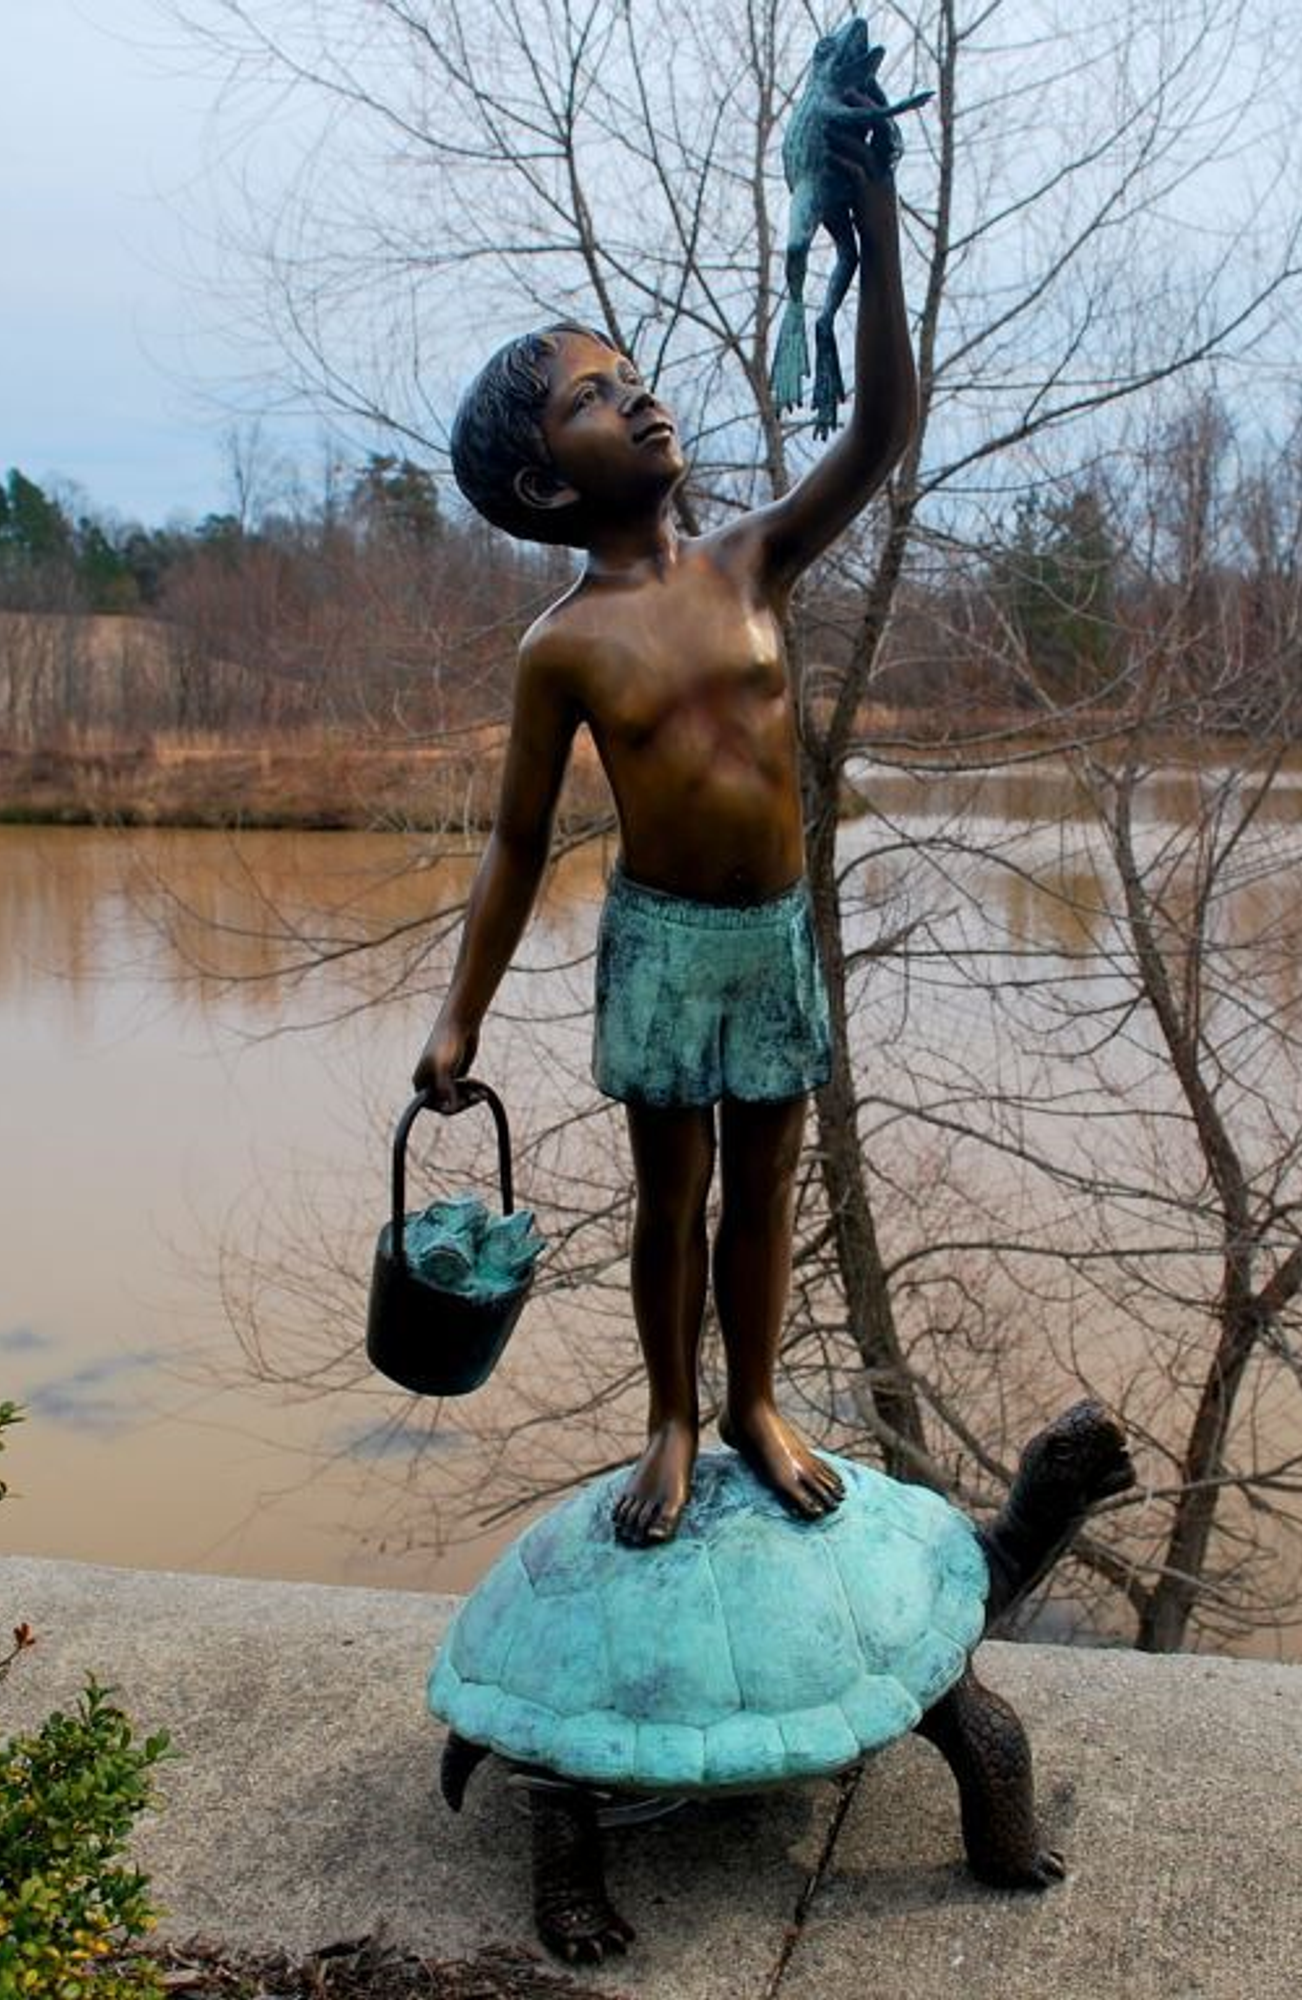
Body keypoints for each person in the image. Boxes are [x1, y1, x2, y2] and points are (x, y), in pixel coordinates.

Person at [413, 108, 916, 1546]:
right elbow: (518, 845)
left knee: (766, 1181)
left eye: (631, 377)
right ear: (546, 483)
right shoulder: (562, 647)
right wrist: (462, 1019)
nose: (637, 400)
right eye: (592, 399)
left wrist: (871, 225)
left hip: (771, 939)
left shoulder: (754, 561)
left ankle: (755, 1400)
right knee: (669, 1198)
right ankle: (673, 1418)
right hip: (661, 946)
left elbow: (882, 430)